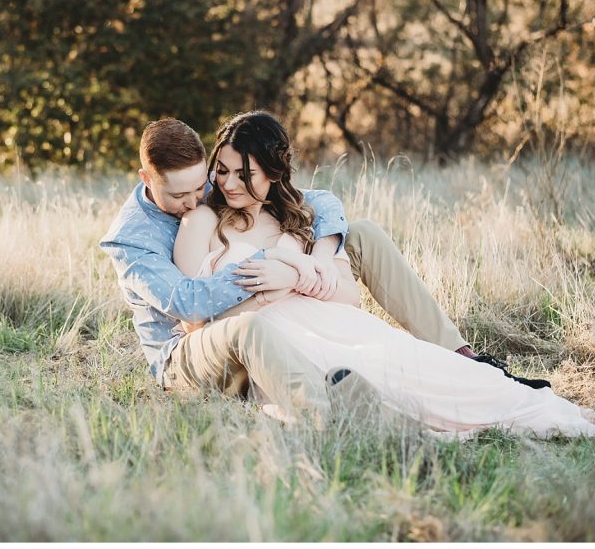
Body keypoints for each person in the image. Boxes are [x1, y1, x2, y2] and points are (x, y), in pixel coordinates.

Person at [170, 110, 595, 438]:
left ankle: (498, 388)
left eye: (245, 174)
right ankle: (381, 427)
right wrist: (267, 289)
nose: (227, 183)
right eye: (221, 170)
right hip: (275, 340)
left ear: (274, 172)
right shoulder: (203, 222)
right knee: (360, 381)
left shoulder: (297, 219)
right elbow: (194, 319)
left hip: (336, 323)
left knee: (417, 368)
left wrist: (296, 269)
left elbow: (345, 296)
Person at [100, 117, 529, 423]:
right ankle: (334, 417)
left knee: (360, 233)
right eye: (181, 196)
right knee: (250, 327)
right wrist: (278, 264)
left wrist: (319, 258)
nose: (197, 200)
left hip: (269, 306)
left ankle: (458, 353)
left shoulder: (213, 184)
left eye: (202, 187)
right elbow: (189, 305)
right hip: (188, 352)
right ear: (146, 178)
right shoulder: (131, 239)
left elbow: (317, 201)